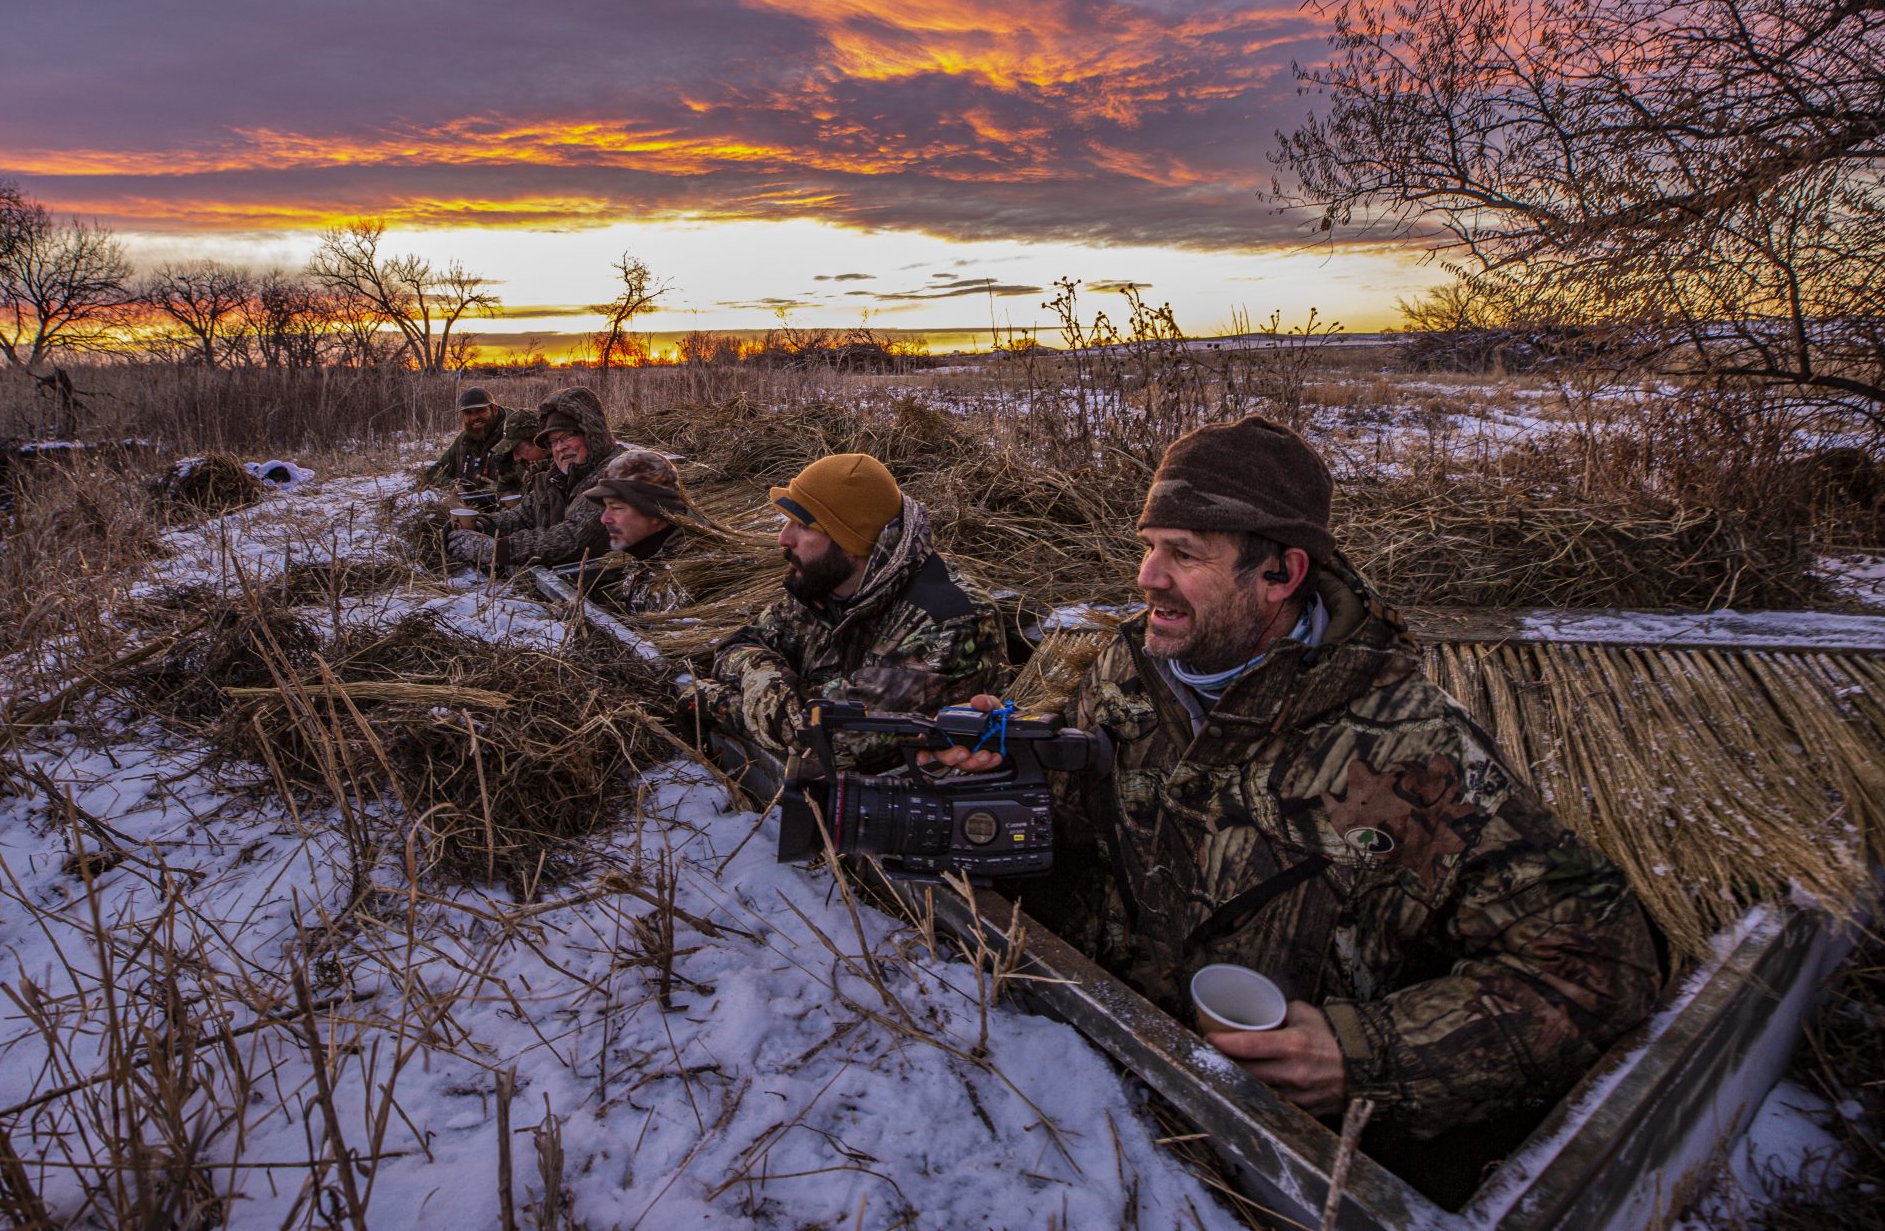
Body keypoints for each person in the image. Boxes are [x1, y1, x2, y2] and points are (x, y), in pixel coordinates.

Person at [928, 417, 1661, 1158]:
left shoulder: (1413, 753)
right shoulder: (1127, 672)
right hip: (1089, 1084)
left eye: (1183, 554)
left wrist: (1364, 1055)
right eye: (1148, 547)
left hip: (1272, 1148)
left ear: (1281, 575)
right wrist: (1012, 767)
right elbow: (1083, 824)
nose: (1148, 577)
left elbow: (1604, 970)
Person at [698, 452, 1007, 773]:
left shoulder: (947, 621)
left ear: (850, 540)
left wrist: (706, 698)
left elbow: (822, 738)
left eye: (802, 525)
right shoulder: (823, 588)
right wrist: (762, 673)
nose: (783, 539)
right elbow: (736, 646)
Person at [446, 386, 624, 570]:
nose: (559, 447)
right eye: (554, 441)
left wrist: (498, 550)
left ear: (592, 433)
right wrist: (481, 525)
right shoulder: (557, 477)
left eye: (569, 436)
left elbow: (573, 539)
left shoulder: (617, 473)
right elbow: (523, 516)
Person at [580, 449, 707, 614]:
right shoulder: (650, 553)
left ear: (655, 512)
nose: (605, 519)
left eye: (616, 508)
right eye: (606, 507)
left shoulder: (691, 576)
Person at [422, 387, 541, 506]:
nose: (474, 417)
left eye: (480, 410)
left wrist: (482, 494)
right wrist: (454, 485)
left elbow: (523, 484)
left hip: (508, 509)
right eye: (468, 413)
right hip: (470, 509)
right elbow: (433, 472)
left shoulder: (513, 435)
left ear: (493, 408)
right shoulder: (464, 440)